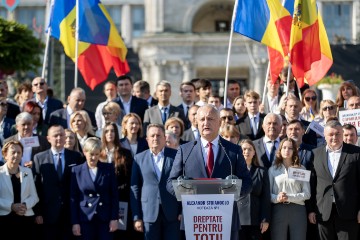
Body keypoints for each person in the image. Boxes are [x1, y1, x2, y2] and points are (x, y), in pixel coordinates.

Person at [167, 104, 252, 240]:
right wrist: (184, 190)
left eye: (210, 119)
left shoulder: (233, 150)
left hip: (225, 218)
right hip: (194, 220)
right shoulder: (185, 150)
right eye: (202, 119)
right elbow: (170, 182)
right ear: (197, 123)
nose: (206, 123)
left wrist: (234, 190)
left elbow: (247, 182)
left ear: (219, 122)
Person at [308, 120, 360, 240]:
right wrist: (311, 210)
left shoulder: (356, 153)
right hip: (323, 212)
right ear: (324, 136)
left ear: (342, 134)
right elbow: (312, 183)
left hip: (349, 212)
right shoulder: (315, 154)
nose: (334, 137)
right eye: (331, 134)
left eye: (337, 134)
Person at [131, 124, 181, 240]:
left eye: (158, 135)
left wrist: (182, 211)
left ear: (164, 138)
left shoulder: (176, 156)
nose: (155, 138)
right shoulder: (139, 158)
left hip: (172, 213)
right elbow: (135, 188)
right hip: (149, 212)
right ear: (147, 139)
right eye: (152, 136)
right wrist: (137, 216)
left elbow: (182, 184)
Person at [33, 125, 82, 240]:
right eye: (55, 135)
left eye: (61, 135)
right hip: (48, 214)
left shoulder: (76, 157)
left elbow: (80, 185)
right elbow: (36, 187)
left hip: (70, 213)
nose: (59, 138)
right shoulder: (39, 158)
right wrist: (38, 212)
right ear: (48, 138)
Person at [99, 122, 143, 240]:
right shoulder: (98, 153)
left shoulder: (125, 153)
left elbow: (130, 179)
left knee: (120, 233)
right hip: (102, 200)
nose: (110, 134)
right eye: (107, 131)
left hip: (121, 199)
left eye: (112, 131)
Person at [70, 137, 119, 239]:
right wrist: (75, 222)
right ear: (84, 152)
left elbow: (114, 195)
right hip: (85, 218)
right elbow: (73, 199)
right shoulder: (76, 171)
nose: (94, 157)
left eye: (97, 154)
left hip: (105, 218)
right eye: (91, 154)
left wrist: (114, 218)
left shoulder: (108, 168)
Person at [269, 138, 310, 240]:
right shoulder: (273, 169)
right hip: (278, 210)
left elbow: (307, 193)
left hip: (298, 210)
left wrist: (289, 197)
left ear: (294, 151)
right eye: (284, 147)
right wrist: (277, 198)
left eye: (290, 148)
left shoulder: (301, 169)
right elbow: (268, 194)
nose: (287, 150)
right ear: (280, 150)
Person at [0, 140, 39, 238]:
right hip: (4, 219)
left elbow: (34, 197)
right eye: (13, 152)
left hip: (25, 219)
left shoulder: (27, 172)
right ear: (5, 155)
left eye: (19, 152)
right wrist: (11, 206)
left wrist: (24, 206)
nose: (16, 155)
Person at [239, 139, 271, 240]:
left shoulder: (262, 171)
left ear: (254, 152)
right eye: (243, 149)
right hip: (238, 219)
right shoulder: (233, 171)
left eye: (249, 149)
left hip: (256, 220)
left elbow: (266, 197)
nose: (246, 152)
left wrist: (265, 219)